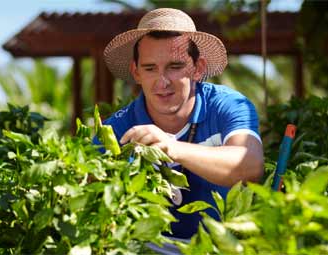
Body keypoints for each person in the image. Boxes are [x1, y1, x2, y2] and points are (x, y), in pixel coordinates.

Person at [101, 8, 264, 240]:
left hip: (223, 245)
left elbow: (250, 166)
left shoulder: (228, 105)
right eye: (150, 69)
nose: (163, 81)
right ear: (136, 72)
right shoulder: (115, 129)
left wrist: (172, 147)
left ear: (197, 68)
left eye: (175, 67)